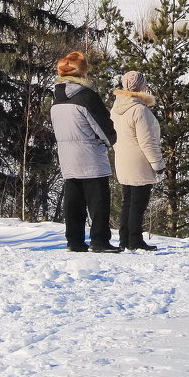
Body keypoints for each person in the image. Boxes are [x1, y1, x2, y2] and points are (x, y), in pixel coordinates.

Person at [49, 51, 123, 253]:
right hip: (90, 156)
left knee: (73, 201)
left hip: (67, 156)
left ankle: (74, 240)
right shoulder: (87, 97)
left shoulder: (57, 99)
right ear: (82, 73)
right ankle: (99, 240)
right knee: (98, 201)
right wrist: (109, 141)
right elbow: (104, 127)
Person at [111, 70, 164, 251]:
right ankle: (135, 240)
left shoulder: (116, 108)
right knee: (138, 203)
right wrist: (158, 165)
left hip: (122, 160)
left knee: (128, 200)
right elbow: (147, 142)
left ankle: (124, 238)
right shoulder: (140, 110)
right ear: (142, 87)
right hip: (139, 162)